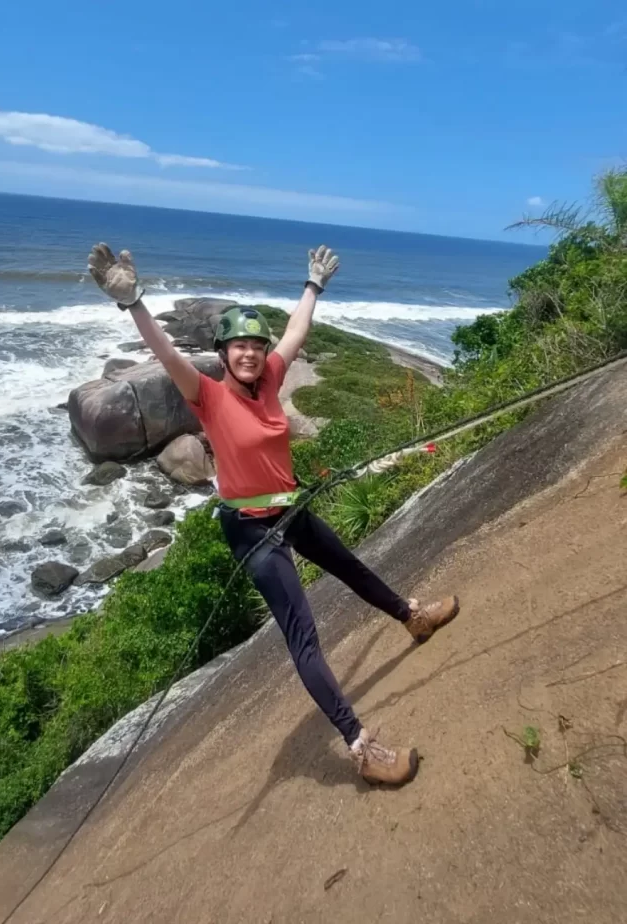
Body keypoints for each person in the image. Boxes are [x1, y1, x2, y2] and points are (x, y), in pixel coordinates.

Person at [87, 242, 459, 785]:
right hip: (251, 530)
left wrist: (313, 285)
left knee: (352, 568)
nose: (250, 354)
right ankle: (359, 747)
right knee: (303, 634)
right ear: (222, 353)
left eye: (256, 346)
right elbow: (167, 355)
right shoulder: (207, 396)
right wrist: (133, 302)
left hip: (290, 506)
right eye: (239, 346)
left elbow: (296, 333)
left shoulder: (271, 381)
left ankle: (412, 618)